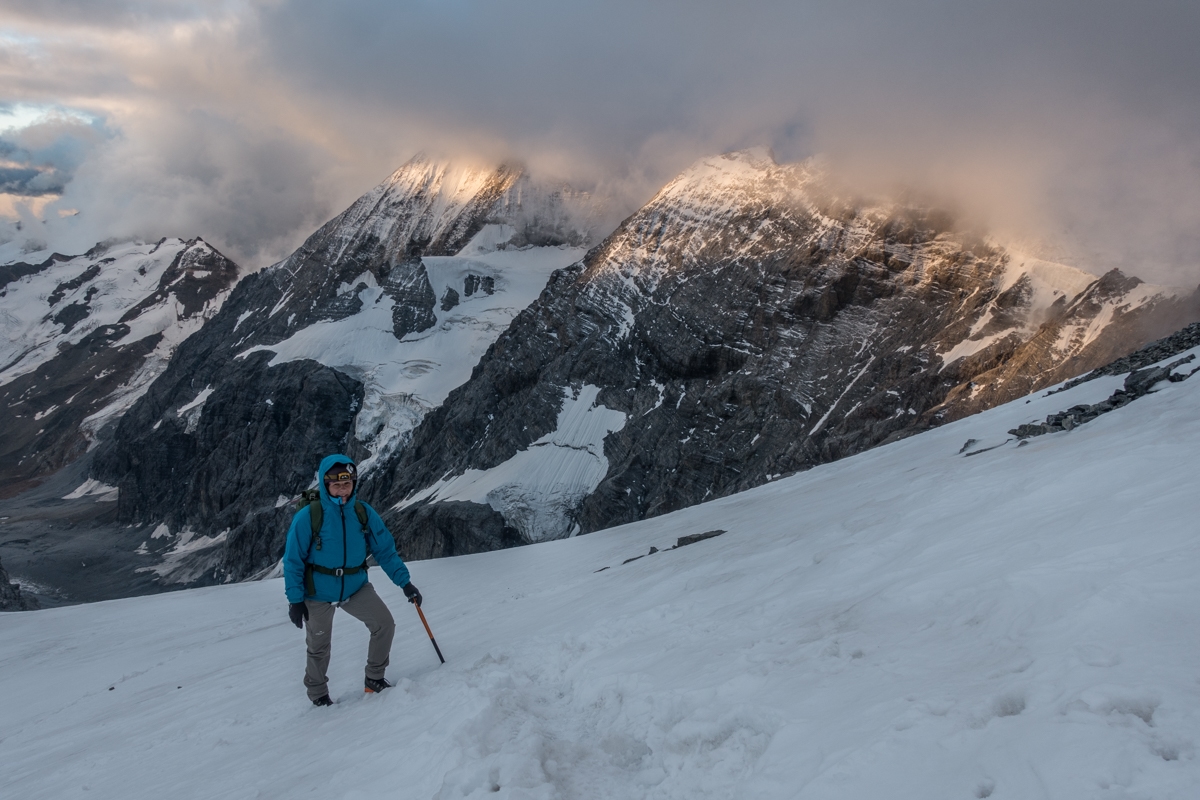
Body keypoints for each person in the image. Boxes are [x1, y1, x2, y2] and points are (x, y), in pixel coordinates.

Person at [283, 454, 422, 706]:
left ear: (353, 483)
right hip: (317, 591)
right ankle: (318, 695)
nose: (342, 489)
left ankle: (374, 679)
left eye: (346, 484)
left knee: (384, 624)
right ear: (325, 485)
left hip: (355, 585)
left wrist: (405, 583)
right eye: (336, 484)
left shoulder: (362, 513)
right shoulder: (309, 516)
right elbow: (293, 560)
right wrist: (295, 600)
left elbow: (385, 551)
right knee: (319, 645)